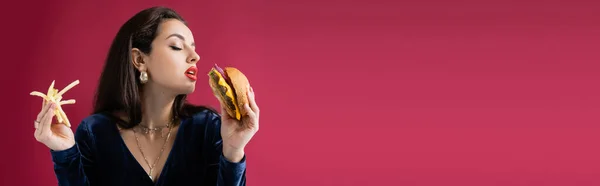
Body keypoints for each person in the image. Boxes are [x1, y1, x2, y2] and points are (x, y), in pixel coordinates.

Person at [32, 6, 259, 186]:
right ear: (139, 60)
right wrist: (65, 153)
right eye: (177, 46)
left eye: (194, 47)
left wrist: (233, 151)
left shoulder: (208, 128)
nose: (195, 57)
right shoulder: (95, 132)